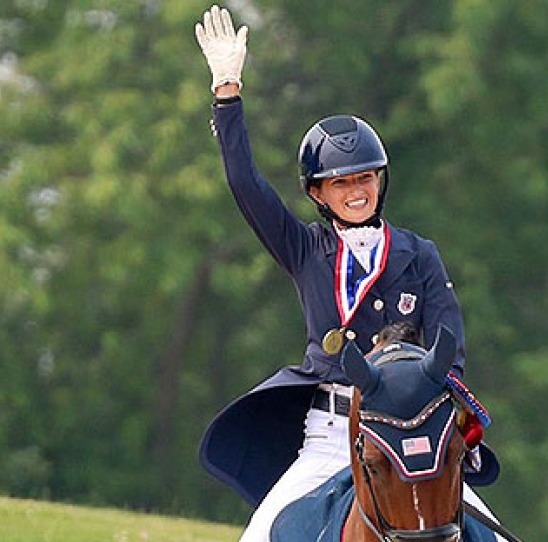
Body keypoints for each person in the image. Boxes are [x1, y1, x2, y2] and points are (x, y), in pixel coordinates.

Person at [194, 6, 502, 541]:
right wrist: (228, 94)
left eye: (365, 179)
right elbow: (246, 185)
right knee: (256, 536)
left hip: (409, 436)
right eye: (340, 183)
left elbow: (449, 349)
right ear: (318, 192)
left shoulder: (418, 254)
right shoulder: (304, 249)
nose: (356, 192)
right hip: (333, 434)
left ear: (380, 181)